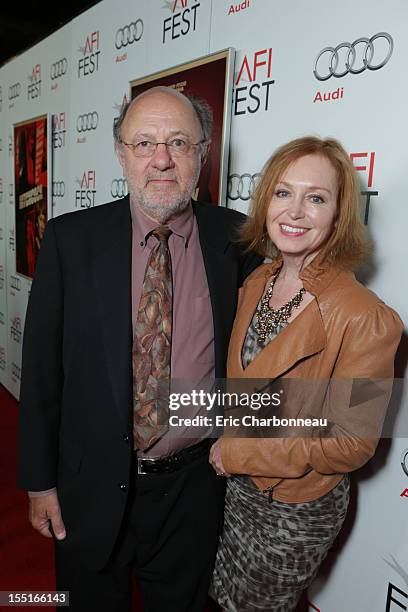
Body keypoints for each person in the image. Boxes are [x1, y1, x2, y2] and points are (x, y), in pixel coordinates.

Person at [17, 86, 261, 612]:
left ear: (203, 152)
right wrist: (39, 483)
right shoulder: (68, 240)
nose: (162, 160)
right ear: (121, 153)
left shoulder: (240, 239)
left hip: (195, 491)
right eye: (144, 142)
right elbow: (39, 374)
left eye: (179, 142)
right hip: (89, 484)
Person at [209, 136, 403, 611]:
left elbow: (350, 443)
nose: (294, 211)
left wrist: (237, 451)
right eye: (283, 192)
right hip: (237, 494)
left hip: (293, 510)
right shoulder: (258, 280)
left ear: (338, 215)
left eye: (315, 198)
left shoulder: (366, 317)